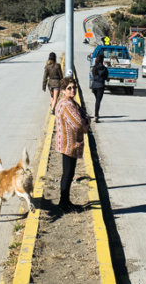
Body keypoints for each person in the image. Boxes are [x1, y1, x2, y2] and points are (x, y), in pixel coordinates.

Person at [54, 75, 89, 212]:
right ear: (63, 90)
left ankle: (66, 201)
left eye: (74, 88)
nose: (72, 90)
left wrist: (85, 121)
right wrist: (85, 123)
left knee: (69, 174)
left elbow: (85, 115)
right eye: (69, 88)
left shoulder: (72, 103)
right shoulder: (66, 104)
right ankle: (63, 203)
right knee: (67, 174)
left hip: (72, 144)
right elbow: (79, 122)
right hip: (68, 144)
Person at [90, 52, 108, 123]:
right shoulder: (104, 69)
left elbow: (93, 76)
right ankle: (96, 116)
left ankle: (96, 115)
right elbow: (106, 77)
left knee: (97, 100)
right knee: (98, 101)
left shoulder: (94, 68)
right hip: (100, 86)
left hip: (94, 86)